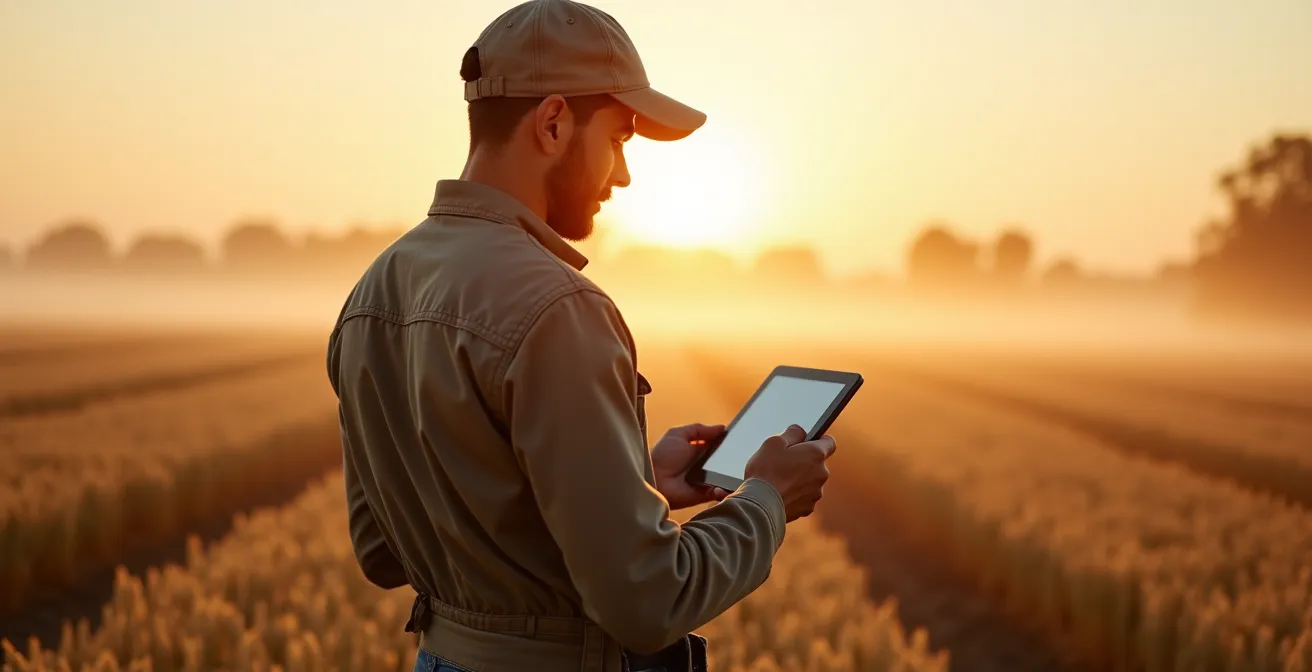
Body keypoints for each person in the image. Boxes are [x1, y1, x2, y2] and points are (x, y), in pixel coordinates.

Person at [324, 1, 837, 670]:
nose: (623, 174)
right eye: (619, 139)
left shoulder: (373, 290)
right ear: (554, 123)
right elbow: (649, 602)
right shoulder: (559, 307)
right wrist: (766, 500)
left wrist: (634, 485)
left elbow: (383, 553)